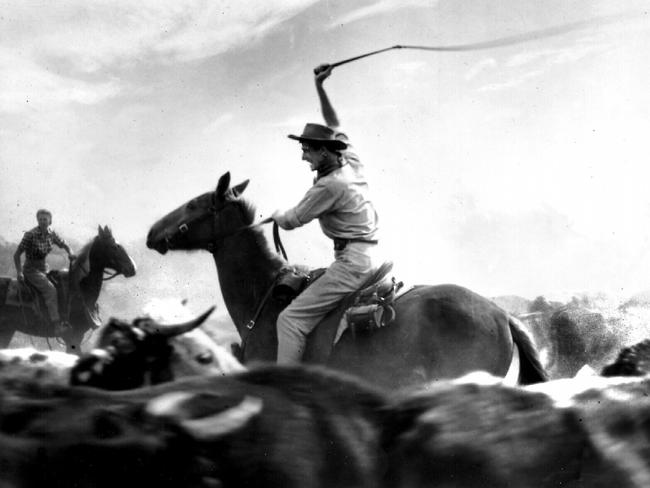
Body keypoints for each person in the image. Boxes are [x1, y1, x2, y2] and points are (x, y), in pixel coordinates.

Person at [272, 64, 381, 364]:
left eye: (306, 148)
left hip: (351, 265)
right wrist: (321, 87)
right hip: (371, 255)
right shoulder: (351, 160)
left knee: (290, 320)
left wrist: (275, 214)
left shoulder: (329, 187)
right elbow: (334, 122)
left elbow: (292, 220)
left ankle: (288, 390)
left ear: (323, 151)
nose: (302, 154)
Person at [14, 209, 76, 335]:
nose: (43, 221)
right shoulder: (30, 235)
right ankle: (56, 325)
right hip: (30, 269)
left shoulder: (52, 233)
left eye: (45, 219)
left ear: (50, 221)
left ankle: (64, 318)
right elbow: (16, 255)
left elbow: (64, 244)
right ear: (38, 220)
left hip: (44, 267)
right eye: (40, 219)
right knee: (50, 290)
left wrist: (70, 252)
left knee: (62, 285)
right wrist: (19, 272)